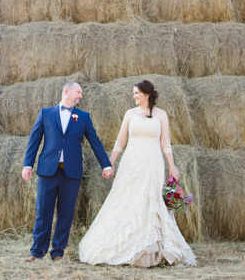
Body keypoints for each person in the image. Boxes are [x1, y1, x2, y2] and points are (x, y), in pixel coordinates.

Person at [79, 80, 197, 267]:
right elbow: (120, 140)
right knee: (127, 198)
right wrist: (110, 162)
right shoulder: (130, 114)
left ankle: (152, 246)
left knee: (150, 199)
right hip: (132, 163)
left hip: (153, 163)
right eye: (133, 93)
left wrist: (172, 166)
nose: (133, 96)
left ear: (146, 94)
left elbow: (165, 144)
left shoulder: (161, 115)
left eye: (136, 93)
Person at [22, 82, 114, 262]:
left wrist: (106, 165)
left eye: (81, 93)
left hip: (71, 173)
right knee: (43, 212)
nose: (81, 95)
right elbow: (34, 140)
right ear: (67, 91)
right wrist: (27, 165)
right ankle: (37, 252)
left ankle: (58, 252)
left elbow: (95, 142)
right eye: (78, 92)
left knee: (66, 213)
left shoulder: (84, 117)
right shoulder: (46, 113)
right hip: (48, 171)